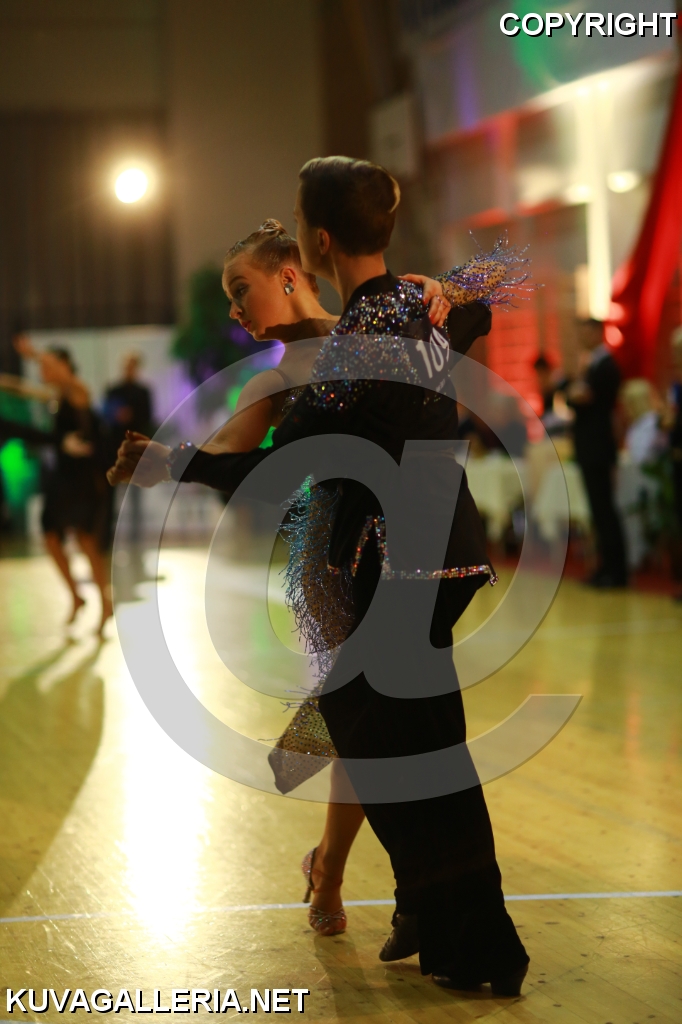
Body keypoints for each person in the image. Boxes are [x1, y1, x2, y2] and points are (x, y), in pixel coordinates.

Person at [109, 159, 531, 996]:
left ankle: (451, 929)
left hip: (389, 565)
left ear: (315, 244)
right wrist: (445, 288)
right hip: (429, 556)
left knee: (389, 748)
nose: (236, 308)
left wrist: (170, 463)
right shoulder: (406, 311)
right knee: (403, 744)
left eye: (242, 288)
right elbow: (486, 298)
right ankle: (441, 922)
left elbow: (273, 472)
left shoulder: (352, 347)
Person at [0, 339, 112, 632]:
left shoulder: (78, 391)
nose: (42, 370)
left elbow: (64, 378)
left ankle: (105, 602)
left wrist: (34, 354)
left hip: (84, 479)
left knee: (86, 541)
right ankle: (76, 595)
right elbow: (20, 388)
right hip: (62, 479)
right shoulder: (54, 396)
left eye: (48, 365)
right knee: (51, 536)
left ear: (63, 365)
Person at [565, 319, 628, 588]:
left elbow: (582, 398)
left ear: (597, 333)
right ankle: (605, 568)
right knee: (597, 511)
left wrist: (575, 396)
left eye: (586, 332)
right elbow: (574, 396)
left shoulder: (606, 366)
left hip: (598, 448)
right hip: (590, 448)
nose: (582, 337)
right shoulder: (591, 365)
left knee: (605, 510)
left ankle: (616, 571)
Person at [103, 352, 154, 544]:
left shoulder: (143, 392)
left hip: (135, 449)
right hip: (115, 448)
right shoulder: (113, 391)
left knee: (135, 494)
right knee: (113, 492)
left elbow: (147, 418)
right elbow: (106, 415)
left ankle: (135, 535)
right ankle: (109, 533)